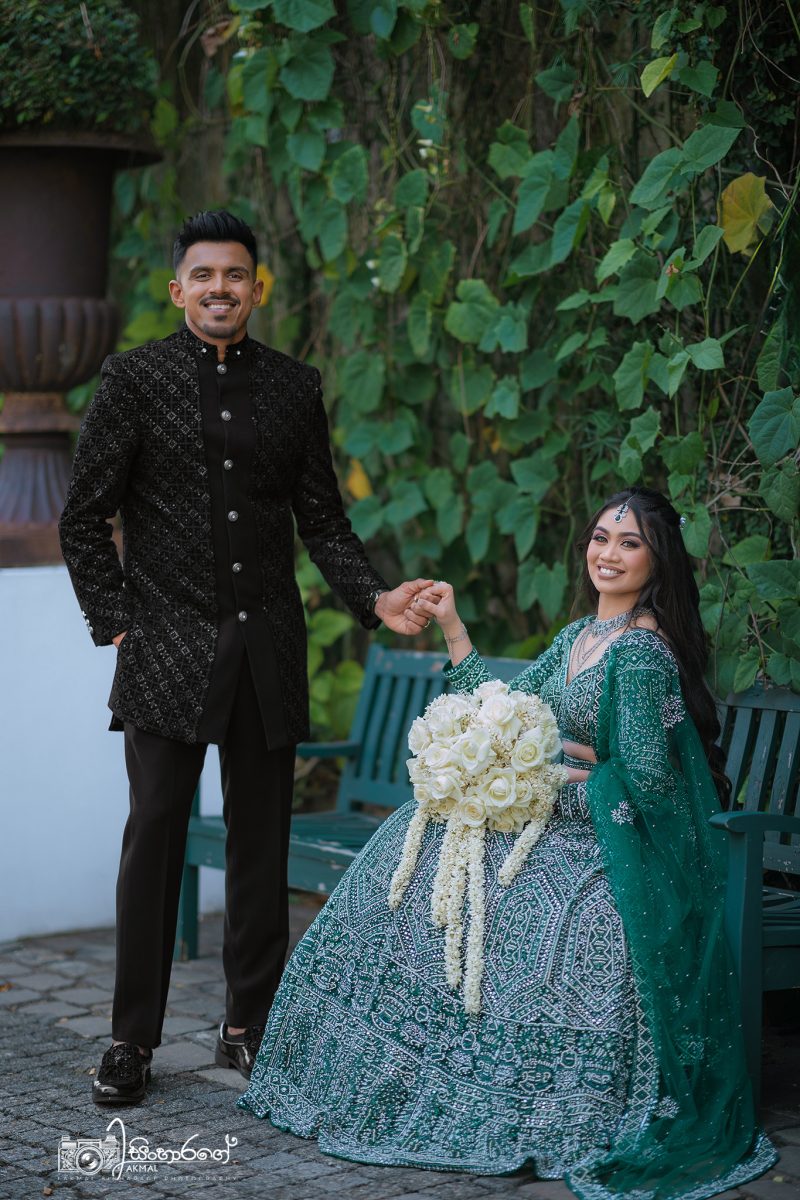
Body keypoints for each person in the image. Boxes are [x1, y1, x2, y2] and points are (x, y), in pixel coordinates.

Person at [237, 486, 776, 1199]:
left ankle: (500, 1089)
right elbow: (506, 708)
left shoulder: (641, 652)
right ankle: (405, 1068)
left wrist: (550, 780)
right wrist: (456, 635)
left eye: (630, 543)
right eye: (601, 537)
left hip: (613, 844)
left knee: (525, 901)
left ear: (659, 559)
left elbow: (647, 784)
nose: (608, 554)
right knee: (418, 841)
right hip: (552, 818)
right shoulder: (580, 635)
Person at [58, 210, 434, 1106]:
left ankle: (249, 1028)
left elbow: (323, 522)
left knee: (260, 844)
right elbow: (84, 516)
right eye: (203, 275)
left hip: (266, 647)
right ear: (178, 289)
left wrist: (375, 599)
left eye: (235, 275)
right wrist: (117, 622)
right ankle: (130, 1040)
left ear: (257, 288)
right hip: (165, 651)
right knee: (154, 837)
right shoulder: (134, 379)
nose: (219, 288)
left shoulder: (294, 388)